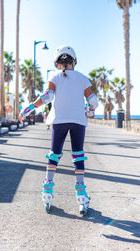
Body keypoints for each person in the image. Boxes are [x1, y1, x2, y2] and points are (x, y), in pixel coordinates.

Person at [19, 45, 98, 215]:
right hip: (78, 121)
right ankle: (82, 195)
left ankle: (47, 192)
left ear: (57, 63)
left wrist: (28, 109)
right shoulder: (83, 78)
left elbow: (47, 97)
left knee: (54, 154)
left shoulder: (54, 77)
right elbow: (93, 102)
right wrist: (89, 111)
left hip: (59, 120)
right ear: (73, 61)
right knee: (78, 155)